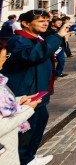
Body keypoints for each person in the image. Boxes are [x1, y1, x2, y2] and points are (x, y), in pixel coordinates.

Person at [3, 10, 70, 165]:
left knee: (39, 122)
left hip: (38, 90)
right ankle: (24, 159)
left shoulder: (37, 39)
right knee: (26, 127)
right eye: (41, 21)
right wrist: (57, 36)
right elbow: (33, 55)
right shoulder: (19, 40)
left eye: (47, 20)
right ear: (26, 23)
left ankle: (29, 155)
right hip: (27, 91)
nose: (46, 23)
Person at [0, 48, 42, 165]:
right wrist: (28, 109)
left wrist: (19, 101)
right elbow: (1, 127)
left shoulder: (1, 80)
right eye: (4, 57)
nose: (5, 61)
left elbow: (4, 104)